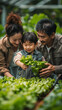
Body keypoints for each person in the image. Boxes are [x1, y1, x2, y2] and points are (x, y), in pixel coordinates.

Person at [0, 12, 23, 78]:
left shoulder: (25, 42)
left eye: (19, 39)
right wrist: (13, 79)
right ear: (7, 36)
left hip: (21, 71)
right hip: (7, 72)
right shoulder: (1, 45)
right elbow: (2, 67)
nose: (18, 42)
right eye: (14, 40)